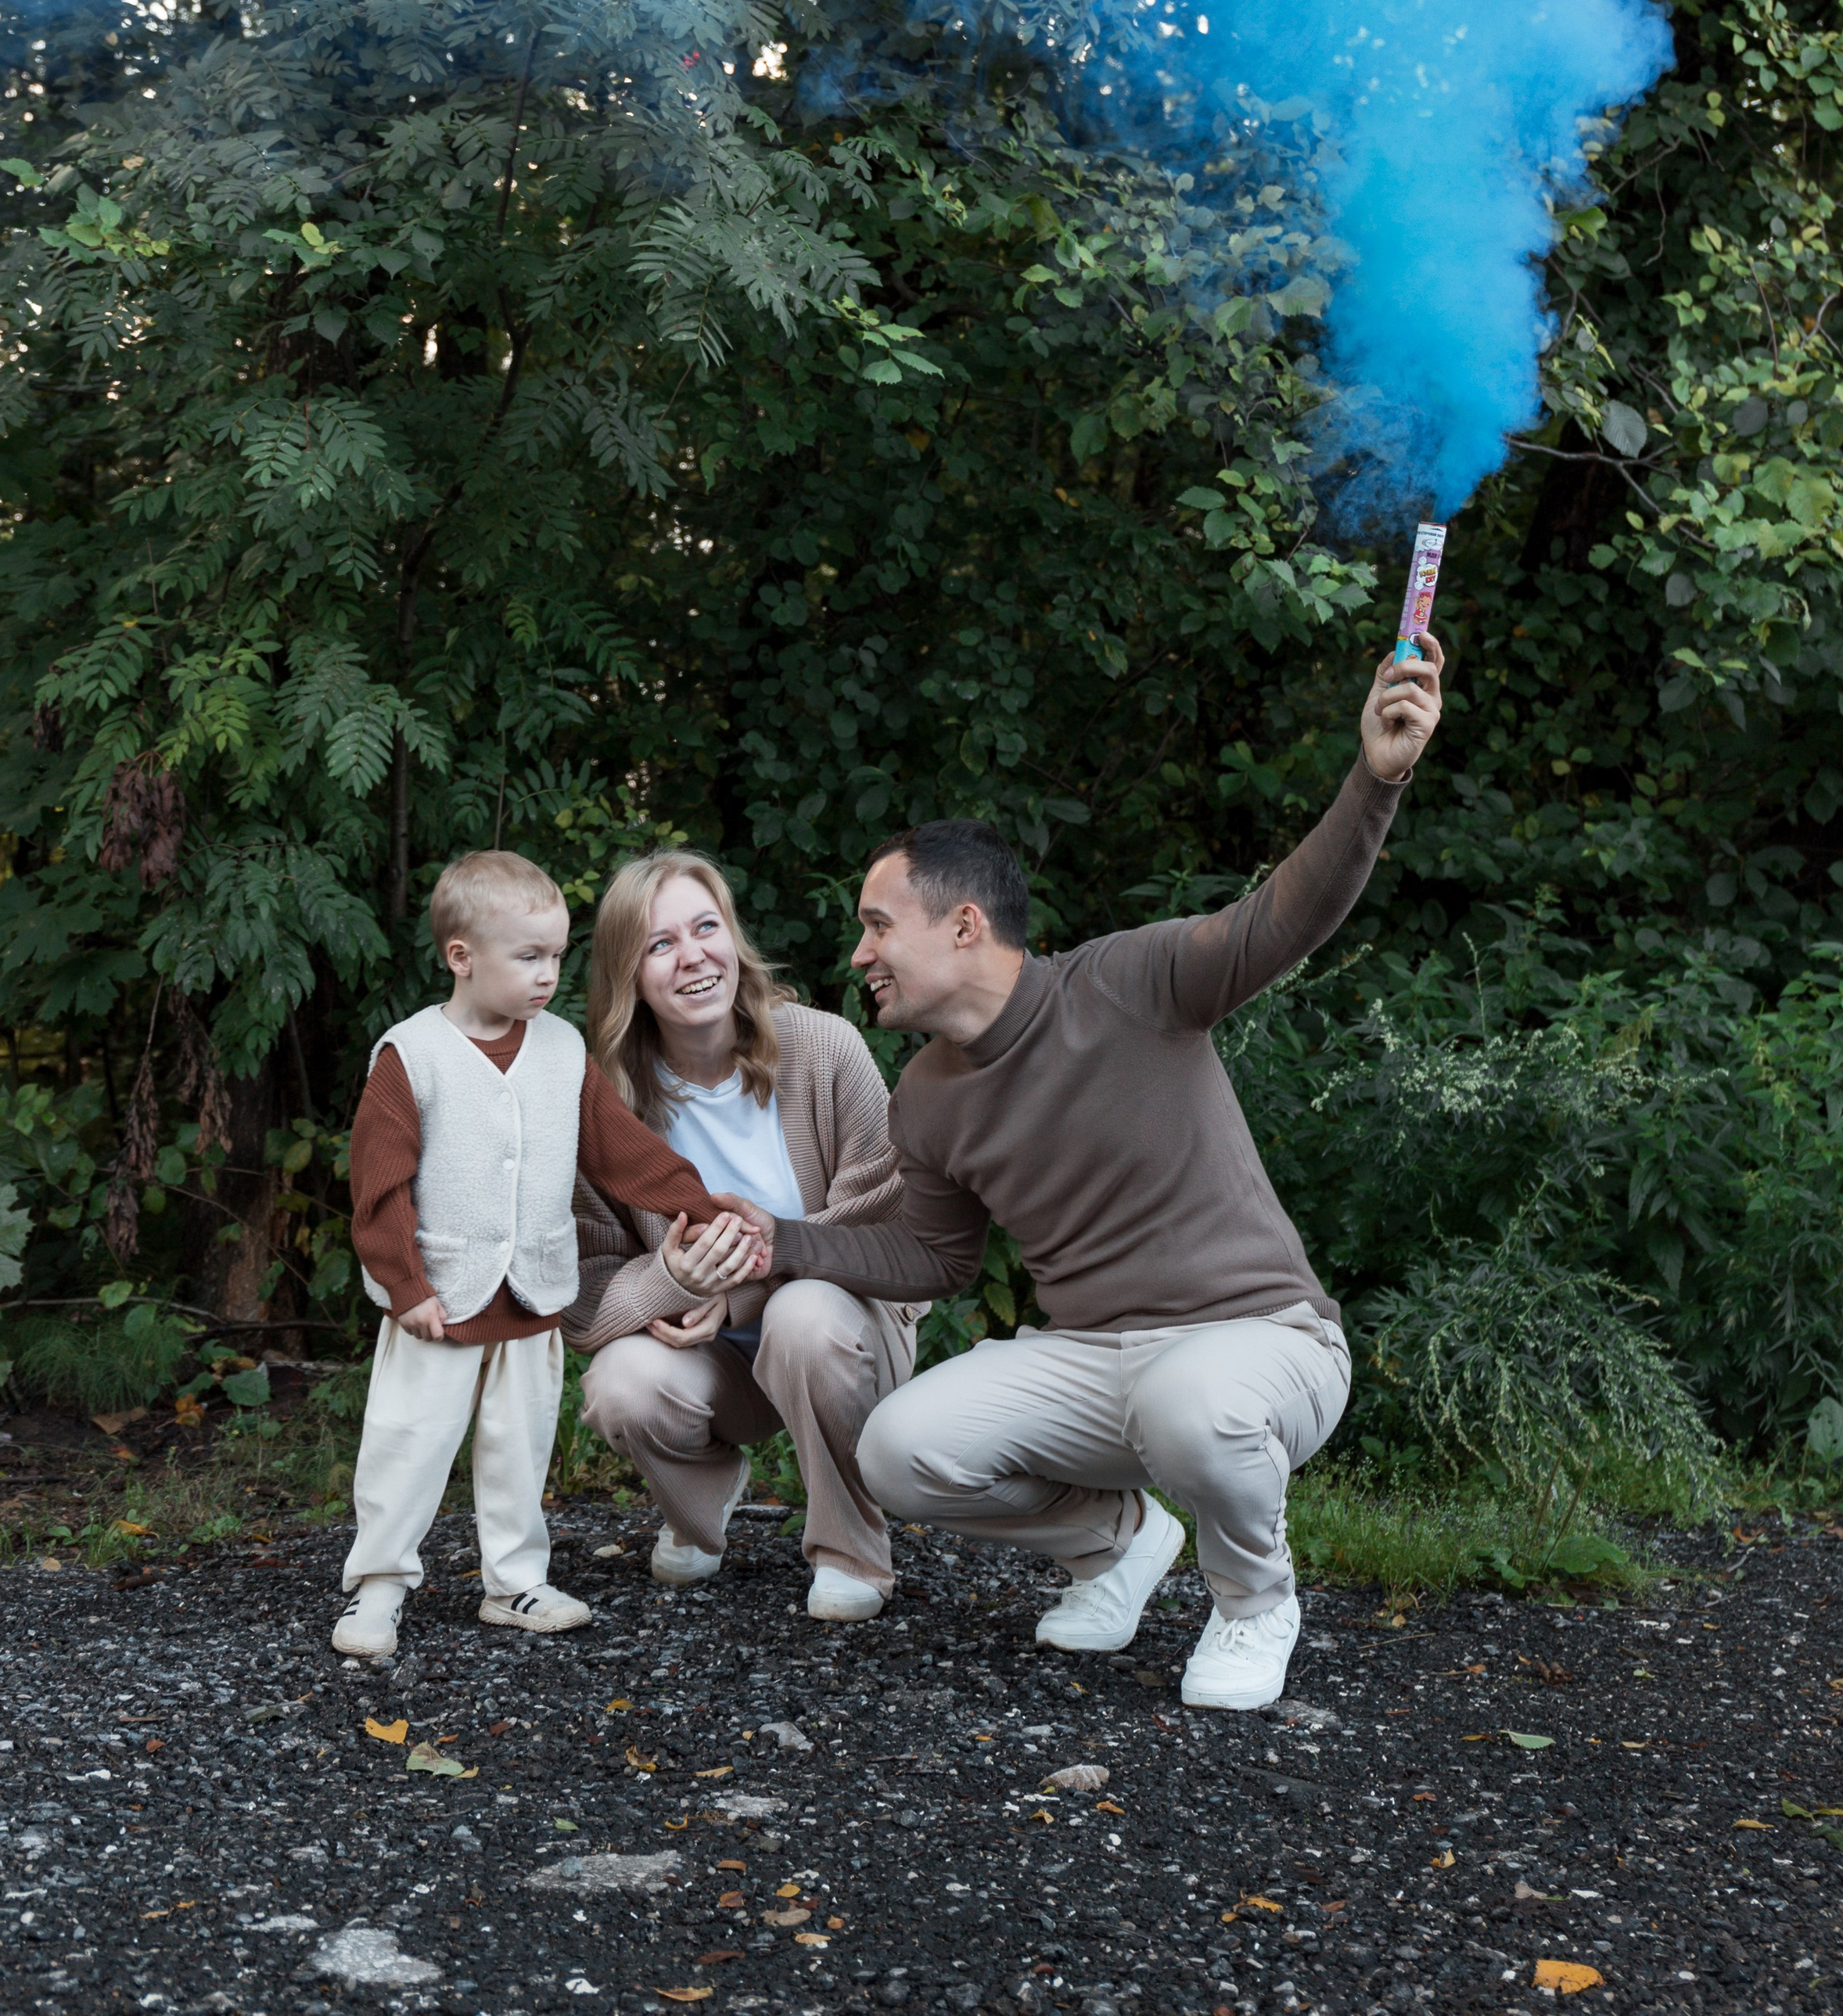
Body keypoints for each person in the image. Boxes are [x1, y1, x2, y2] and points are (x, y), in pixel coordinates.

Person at [714, 638, 1444, 1711]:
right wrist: (785, 1242)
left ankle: (1254, 1602)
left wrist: (1376, 781)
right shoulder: (926, 1093)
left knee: (1195, 1404)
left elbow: (1287, 916)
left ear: (964, 925)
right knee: (900, 1451)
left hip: (1260, 1341)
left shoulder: (1131, 982)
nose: (859, 955)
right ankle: (1119, 1544)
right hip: (1095, 1361)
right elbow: (933, 1256)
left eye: (878, 925)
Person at [336, 847, 767, 1662]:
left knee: (519, 1444)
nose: (548, 975)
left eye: (557, 956)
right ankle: (380, 1584)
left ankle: (514, 1580)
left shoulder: (562, 1050)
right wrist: (403, 1285)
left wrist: (702, 1211)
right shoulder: (411, 1056)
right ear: (461, 958)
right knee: (409, 1439)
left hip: (531, 1296)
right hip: (440, 1297)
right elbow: (379, 1185)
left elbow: (623, 1153)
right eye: (528, 957)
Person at [565, 853, 922, 1623]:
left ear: (733, 938)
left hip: (848, 1333)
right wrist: (675, 1279)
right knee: (621, 1383)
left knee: (800, 1317)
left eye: (706, 928)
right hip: (713, 1362)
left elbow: (895, 1212)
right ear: (628, 974)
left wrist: (750, 1285)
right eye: (660, 945)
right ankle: (699, 1510)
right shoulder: (605, 1107)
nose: (692, 956)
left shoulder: (825, 1049)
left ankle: (851, 1551)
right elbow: (585, 1303)